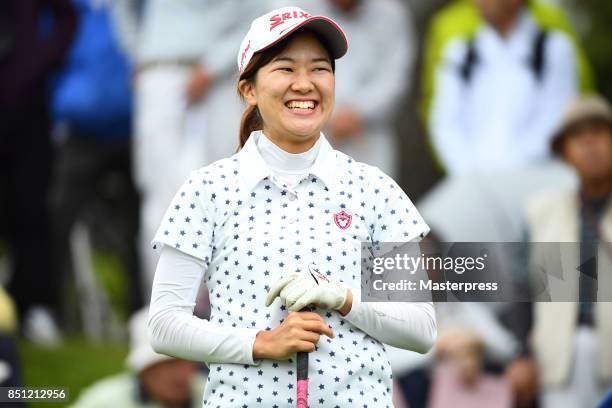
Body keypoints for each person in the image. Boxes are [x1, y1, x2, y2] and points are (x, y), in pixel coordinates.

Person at [147, 6, 436, 407]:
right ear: (248, 88)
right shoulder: (207, 190)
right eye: (285, 69)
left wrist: (344, 297)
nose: (305, 84)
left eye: (320, 69)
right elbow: (164, 325)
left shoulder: (376, 190)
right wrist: (262, 342)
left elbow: (420, 328)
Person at [112, 0, 262, 291]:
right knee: (162, 195)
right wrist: (140, 53)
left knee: (229, 191)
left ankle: (377, 305)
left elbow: (255, 17)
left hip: (223, 79)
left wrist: (214, 65)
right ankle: (166, 303)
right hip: (162, 71)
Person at [49, 0, 144, 330]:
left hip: (134, 128)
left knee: (142, 228)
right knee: (59, 219)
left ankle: (142, 313)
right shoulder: (71, 8)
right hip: (81, 129)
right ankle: (51, 312)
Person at [525, 94, 612, 408]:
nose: (590, 145)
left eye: (599, 133)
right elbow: (523, 286)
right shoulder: (541, 211)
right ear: (565, 154)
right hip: (560, 357)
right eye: (578, 137)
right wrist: (523, 355)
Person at [428, 0, 579, 175]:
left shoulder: (554, 48)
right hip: (473, 184)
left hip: (536, 180)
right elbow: (445, 122)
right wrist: (471, 173)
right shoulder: (459, 52)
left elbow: (554, 119)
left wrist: (506, 173)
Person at [0, 0, 77, 344]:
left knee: (31, 207)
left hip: (25, 102)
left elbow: (66, 16)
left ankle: (33, 305)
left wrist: (39, 61)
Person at [271, 0, 415, 179]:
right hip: (303, 127)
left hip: (368, 134)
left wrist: (358, 111)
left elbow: (395, 76)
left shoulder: (391, 13)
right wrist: (328, 111)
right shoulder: (290, 9)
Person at [71, 308, 204, 408]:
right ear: (144, 370)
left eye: (185, 360)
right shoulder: (102, 401)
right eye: (169, 364)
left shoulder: (214, 393)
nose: (181, 373)